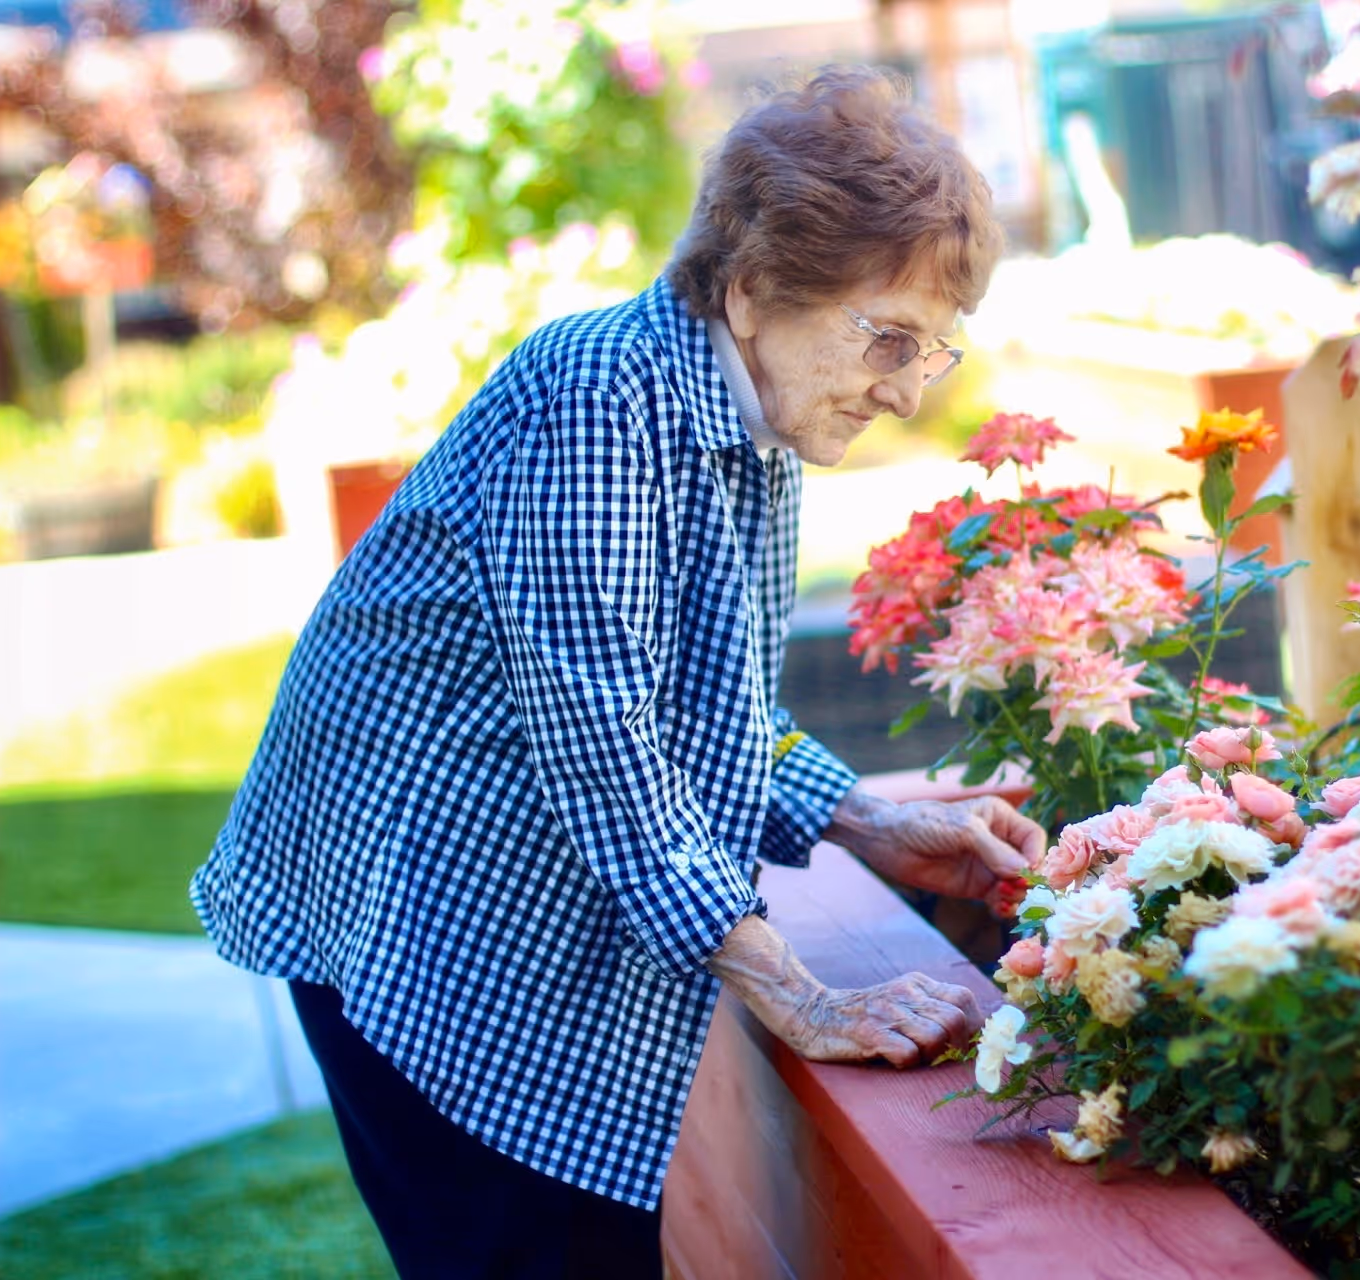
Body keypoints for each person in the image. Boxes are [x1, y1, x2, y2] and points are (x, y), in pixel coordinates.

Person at [190, 67, 1038, 1278]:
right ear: (751, 292)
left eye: (932, 349)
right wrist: (797, 992)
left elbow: (707, 708)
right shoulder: (599, 396)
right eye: (886, 336)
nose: (907, 390)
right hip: (420, 936)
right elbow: (603, 734)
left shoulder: (753, 436)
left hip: (497, 917)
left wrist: (867, 819)